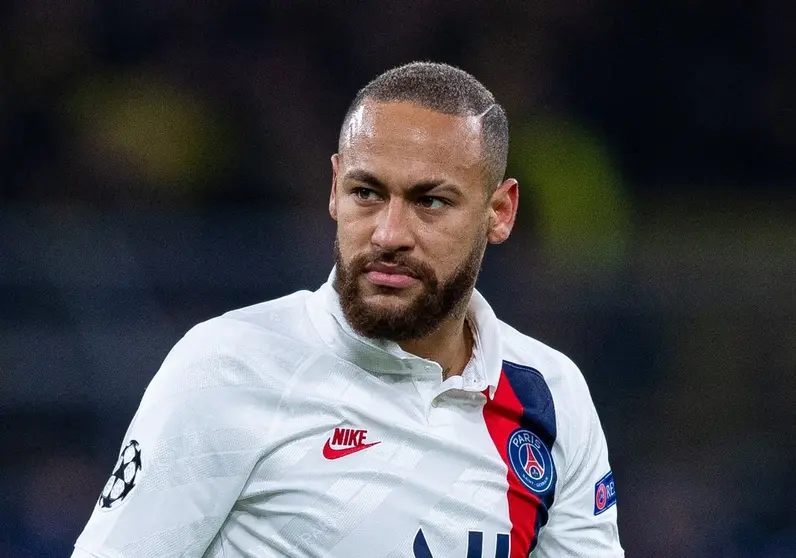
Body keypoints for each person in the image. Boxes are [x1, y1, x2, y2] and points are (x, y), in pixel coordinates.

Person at [71, 62, 623, 558]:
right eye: (367, 193)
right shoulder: (229, 367)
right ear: (335, 188)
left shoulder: (552, 394)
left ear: (499, 213)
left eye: (430, 202)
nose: (389, 233)